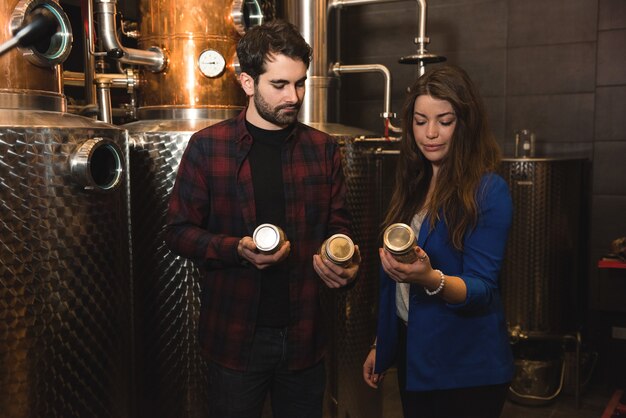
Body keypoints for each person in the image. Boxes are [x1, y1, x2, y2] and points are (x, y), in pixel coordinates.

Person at [164, 19, 360, 418]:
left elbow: (339, 227)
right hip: (236, 338)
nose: (294, 96)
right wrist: (234, 248)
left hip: (305, 338)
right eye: (280, 85)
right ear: (247, 82)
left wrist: (344, 260)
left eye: (300, 83)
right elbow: (178, 232)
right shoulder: (208, 147)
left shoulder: (323, 149)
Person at [362, 65, 514, 418]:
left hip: (465, 368)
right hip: (415, 356)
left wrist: (429, 278)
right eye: (420, 121)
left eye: (444, 121)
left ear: (465, 122)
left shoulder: (488, 191)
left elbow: (483, 289)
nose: (430, 133)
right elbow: (395, 284)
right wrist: (382, 344)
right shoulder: (412, 185)